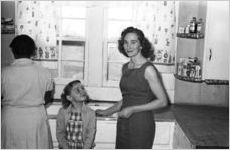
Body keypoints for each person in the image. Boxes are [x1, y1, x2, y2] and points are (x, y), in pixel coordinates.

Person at [96, 26, 168, 149]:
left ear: (141, 45)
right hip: (124, 120)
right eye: (126, 42)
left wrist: (133, 109)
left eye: (133, 42)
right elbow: (128, 97)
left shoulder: (148, 69)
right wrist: (107, 111)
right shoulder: (126, 67)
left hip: (140, 122)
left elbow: (162, 101)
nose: (129, 46)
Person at [1, 34, 54, 148]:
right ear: (33, 52)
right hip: (35, 118)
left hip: (10, 118)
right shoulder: (44, 72)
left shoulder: (3, 73)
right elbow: (48, 98)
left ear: (12, 51)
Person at [56, 80, 96, 149]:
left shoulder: (91, 113)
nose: (82, 91)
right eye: (77, 90)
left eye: (82, 88)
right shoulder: (62, 112)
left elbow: (90, 136)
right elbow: (60, 133)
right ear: (69, 98)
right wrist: (66, 148)